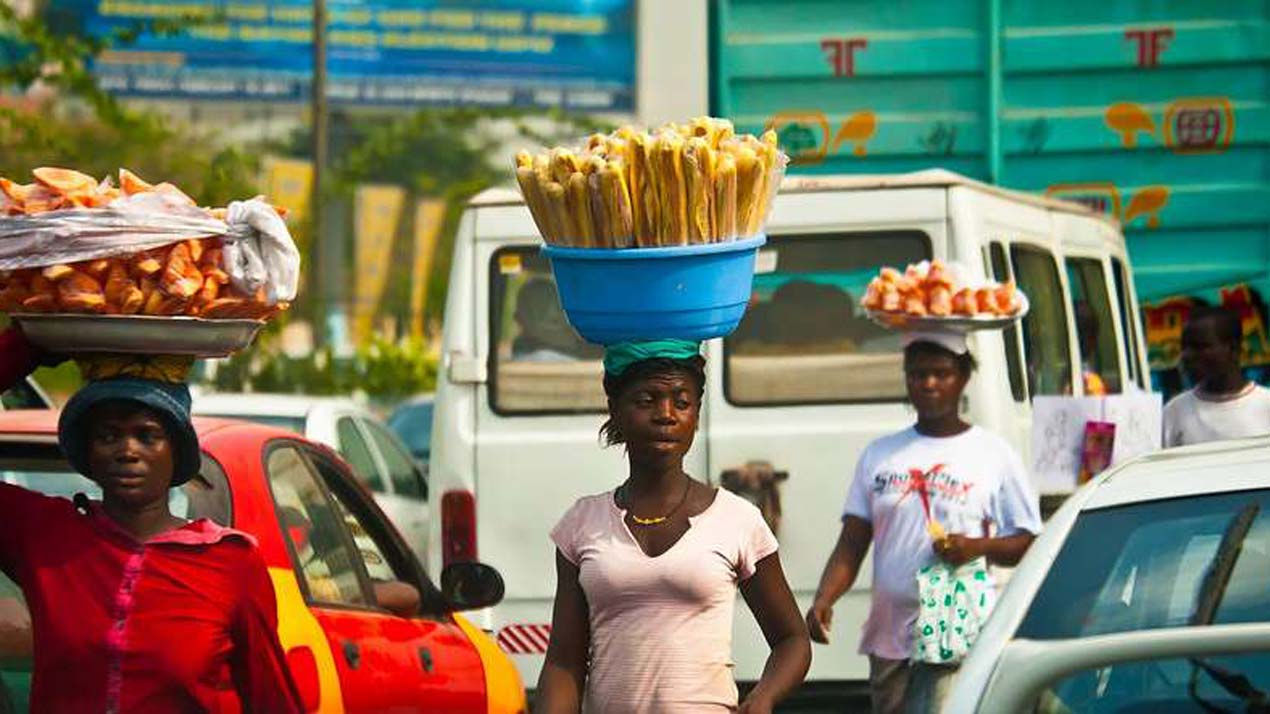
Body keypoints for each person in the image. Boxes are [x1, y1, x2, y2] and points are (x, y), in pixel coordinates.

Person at [0, 371, 304, 712]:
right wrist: (28, 349)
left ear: (176, 451)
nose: (127, 450)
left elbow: (272, 699)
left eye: (147, 436)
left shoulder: (230, 561)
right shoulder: (46, 534)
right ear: (89, 453)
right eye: (108, 436)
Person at [537, 340, 810, 713]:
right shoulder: (582, 525)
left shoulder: (736, 520)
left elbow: (792, 639)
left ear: (696, 415)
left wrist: (763, 698)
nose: (666, 414)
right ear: (614, 409)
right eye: (646, 400)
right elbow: (564, 661)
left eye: (681, 402)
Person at [805, 330, 1041, 714]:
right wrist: (824, 599)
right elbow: (852, 542)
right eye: (917, 374)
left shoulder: (993, 454)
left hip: (958, 635)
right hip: (890, 639)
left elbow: (1027, 542)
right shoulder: (880, 455)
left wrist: (976, 548)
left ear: (963, 377)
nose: (929, 384)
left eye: (941, 373)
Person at [1164, 306, 1270, 447]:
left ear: (1232, 349)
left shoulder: (1265, 404)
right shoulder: (1175, 411)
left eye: (1199, 347)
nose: (1186, 355)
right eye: (1184, 347)